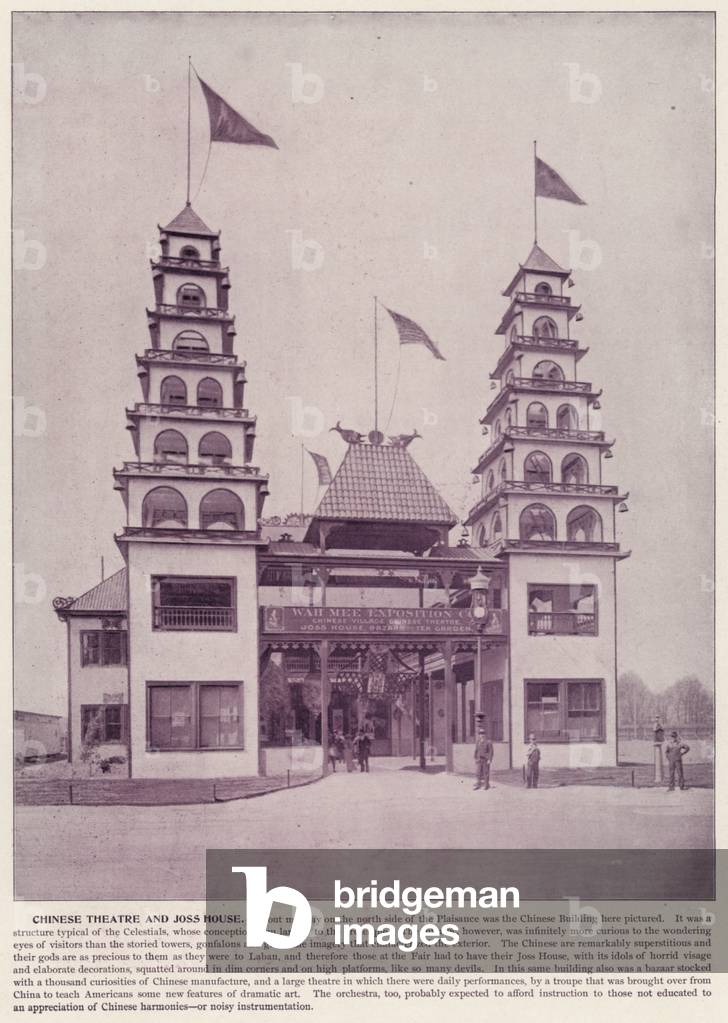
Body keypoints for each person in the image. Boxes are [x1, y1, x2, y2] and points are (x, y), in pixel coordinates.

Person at [473, 726, 494, 790]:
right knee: (478, 772)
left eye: (482, 733)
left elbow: (491, 751)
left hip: (485, 759)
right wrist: (475, 758)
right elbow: (476, 750)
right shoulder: (478, 742)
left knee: (486, 772)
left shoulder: (488, 742)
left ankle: (486, 785)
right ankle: (478, 784)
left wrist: (489, 759)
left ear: (485, 734)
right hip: (479, 759)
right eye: (480, 734)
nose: (481, 735)